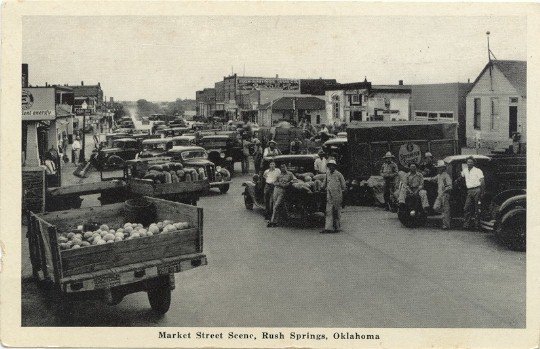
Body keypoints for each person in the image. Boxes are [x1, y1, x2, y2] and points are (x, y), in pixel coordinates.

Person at [320, 159, 347, 234]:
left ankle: (337, 227)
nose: (331, 168)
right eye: (329, 166)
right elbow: (324, 183)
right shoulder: (327, 174)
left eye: (332, 166)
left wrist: (343, 194)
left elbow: (344, 185)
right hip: (329, 195)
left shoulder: (339, 174)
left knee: (337, 211)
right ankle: (328, 228)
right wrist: (321, 188)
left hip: (337, 195)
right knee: (328, 211)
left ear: (335, 167)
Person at [426, 160, 453, 229]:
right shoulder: (439, 175)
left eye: (440, 167)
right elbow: (432, 179)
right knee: (436, 207)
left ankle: (446, 225)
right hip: (440, 195)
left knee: (445, 210)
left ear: (443, 168)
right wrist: (424, 178)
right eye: (438, 168)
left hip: (445, 195)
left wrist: (445, 190)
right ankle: (445, 216)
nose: (438, 169)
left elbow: (450, 186)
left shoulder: (446, 176)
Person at [460, 156, 485, 229]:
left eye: (471, 162)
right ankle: (466, 224)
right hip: (469, 191)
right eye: (468, 162)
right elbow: (461, 176)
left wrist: (482, 192)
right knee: (466, 207)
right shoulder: (465, 170)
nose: (469, 163)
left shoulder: (478, 170)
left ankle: (477, 225)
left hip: (477, 190)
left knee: (477, 208)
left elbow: (482, 181)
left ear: (474, 163)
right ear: (466, 163)